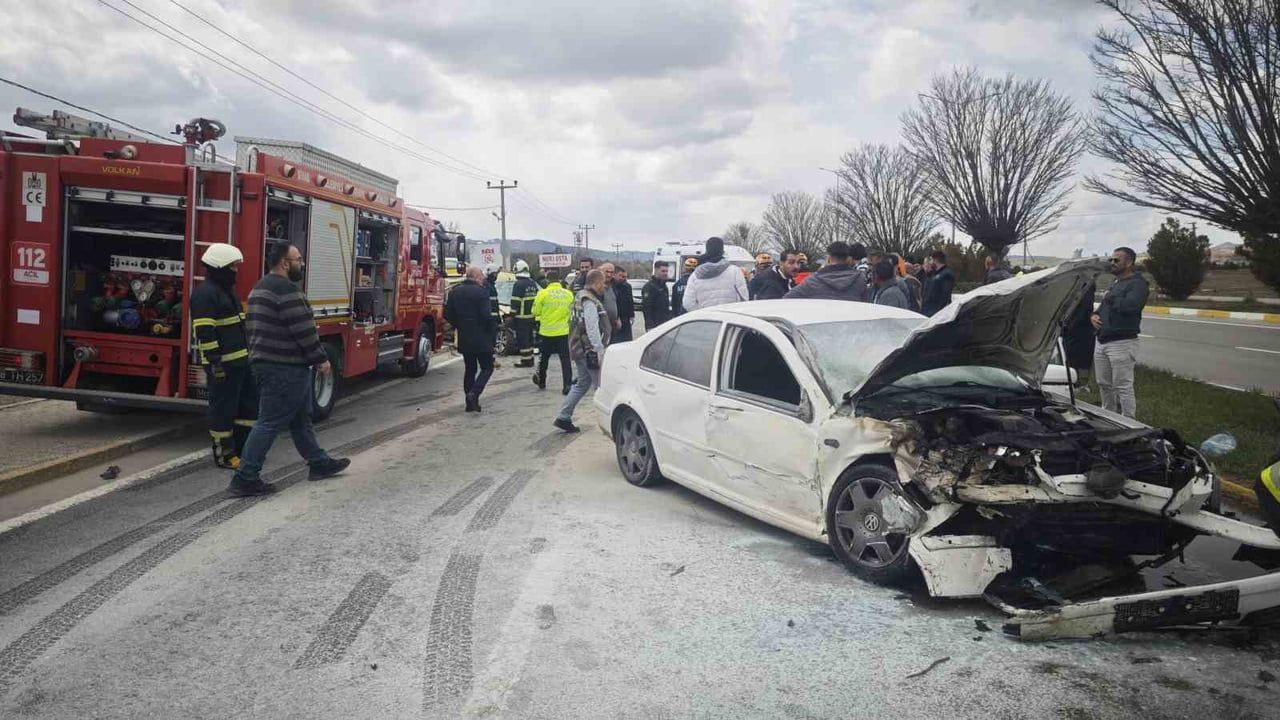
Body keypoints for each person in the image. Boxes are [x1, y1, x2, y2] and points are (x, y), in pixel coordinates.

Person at [231, 242, 349, 497]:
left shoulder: (259, 288)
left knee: (300, 419)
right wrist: (321, 359)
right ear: (285, 263)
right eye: (298, 260)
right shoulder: (288, 291)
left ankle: (318, 462)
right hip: (285, 368)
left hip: (267, 364)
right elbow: (304, 331)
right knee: (269, 422)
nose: (302, 264)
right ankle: (245, 477)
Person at [190, 243, 255, 470]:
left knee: (248, 407)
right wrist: (215, 363)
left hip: (241, 362)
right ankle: (225, 455)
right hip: (223, 366)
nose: (236, 271)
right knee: (223, 411)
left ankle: (244, 450)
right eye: (233, 267)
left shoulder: (227, 292)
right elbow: (205, 332)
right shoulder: (205, 295)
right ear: (220, 267)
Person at [1091, 247, 1149, 417]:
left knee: (1122, 386)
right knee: (1104, 383)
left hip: (1122, 343)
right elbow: (1103, 308)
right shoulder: (1116, 283)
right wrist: (1093, 316)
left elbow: (1131, 306)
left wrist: (1110, 297)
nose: (1112, 263)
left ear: (1129, 263)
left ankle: (1129, 422)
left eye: (1116, 260)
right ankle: (1108, 416)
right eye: (1111, 260)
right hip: (1102, 341)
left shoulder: (1138, 284)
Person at [554, 269, 611, 433]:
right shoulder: (589, 300)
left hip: (578, 348)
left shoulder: (579, 296)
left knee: (582, 383)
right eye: (603, 283)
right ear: (597, 282)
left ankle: (564, 417)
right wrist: (599, 350)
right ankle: (607, 423)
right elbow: (592, 328)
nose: (604, 287)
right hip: (588, 350)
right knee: (600, 386)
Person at [446, 265, 499, 412]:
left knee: (470, 369)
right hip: (482, 337)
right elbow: (486, 316)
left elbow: (448, 314)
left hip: (464, 336)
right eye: (481, 276)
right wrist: (492, 331)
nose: (483, 278)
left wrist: (459, 325)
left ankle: (469, 403)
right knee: (487, 367)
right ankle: (474, 394)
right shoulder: (481, 292)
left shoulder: (455, 292)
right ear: (475, 277)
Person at [532, 269, 574, 395]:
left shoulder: (542, 293)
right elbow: (572, 312)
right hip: (563, 332)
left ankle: (542, 381)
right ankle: (567, 385)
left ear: (547, 280)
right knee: (565, 359)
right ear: (559, 280)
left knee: (544, 358)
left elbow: (535, 311)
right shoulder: (568, 294)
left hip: (546, 332)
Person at [784, 241, 869, 301]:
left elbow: (786, 299)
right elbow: (867, 305)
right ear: (848, 259)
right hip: (851, 321)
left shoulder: (814, 280)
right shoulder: (860, 279)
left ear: (829, 258)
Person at [682, 237, 749, 311]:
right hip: (730, 316)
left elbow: (687, 303)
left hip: (706, 317)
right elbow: (744, 297)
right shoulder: (735, 271)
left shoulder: (695, 275)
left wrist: (702, 312)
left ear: (707, 251)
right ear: (722, 251)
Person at [510, 259, 540, 368]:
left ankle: (525, 361)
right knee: (530, 339)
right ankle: (530, 359)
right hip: (532, 317)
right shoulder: (532, 283)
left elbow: (515, 301)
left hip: (521, 318)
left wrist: (511, 315)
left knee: (523, 340)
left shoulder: (518, 284)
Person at [921, 250, 955, 316]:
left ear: (935, 260)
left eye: (931, 260)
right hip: (928, 311)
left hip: (935, 313)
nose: (930, 262)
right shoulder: (935, 273)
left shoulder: (946, 274)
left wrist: (938, 313)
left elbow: (945, 295)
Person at [641, 261, 673, 330]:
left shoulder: (664, 287)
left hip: (665, 324)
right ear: (656, 270)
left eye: (667, 271)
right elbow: (647, 308)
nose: (665, 273)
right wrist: (649, 326)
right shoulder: (649, 287)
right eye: (663, 271)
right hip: (654, 326)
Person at [613, 266, 636, 342]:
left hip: (626, 318)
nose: (623, 278)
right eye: (621, 276)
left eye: (625, 277)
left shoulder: (627, 287)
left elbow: (630, 301)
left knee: (627, 340)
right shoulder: (611, 287)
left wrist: (632, 315)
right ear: (614, 275)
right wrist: (617, 317)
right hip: (616, 318)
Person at [598, 262, 621, 330]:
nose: (609, 275)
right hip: (601, 326)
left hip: (613, 325)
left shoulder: (615, 286)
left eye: (611, 272)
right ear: (601, 272)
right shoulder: (596, 287)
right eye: (607, 272)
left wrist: (618, 318)